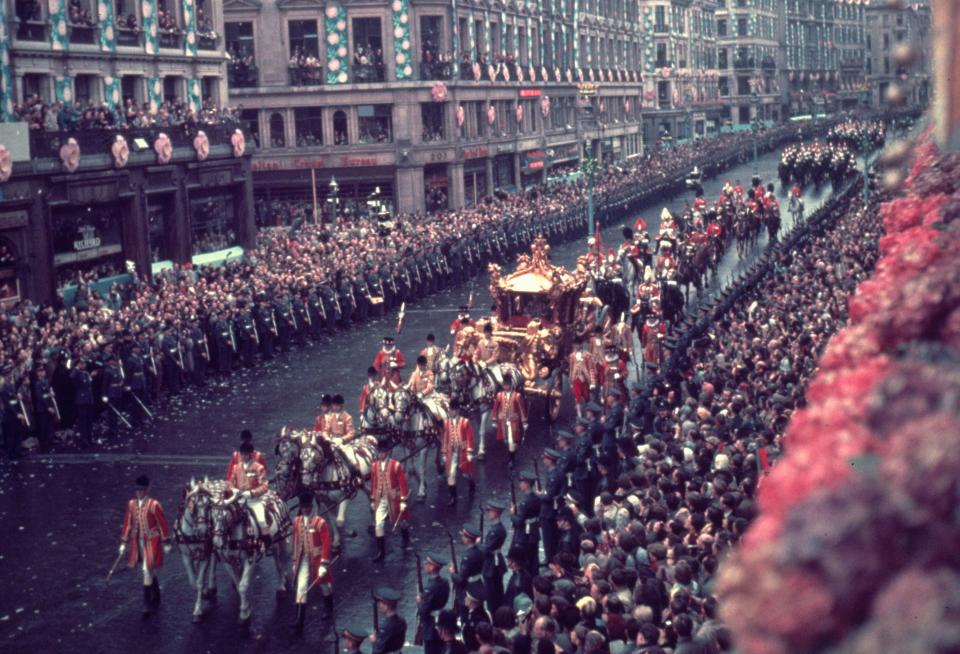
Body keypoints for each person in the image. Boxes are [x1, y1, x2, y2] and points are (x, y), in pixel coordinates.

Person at [118, 475, 171, 617]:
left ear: (147, 489)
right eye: (137, 490)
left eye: (142, 490)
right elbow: (128, 523)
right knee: (147, 569)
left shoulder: (154, 505)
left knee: (147, 569)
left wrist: (166, 541)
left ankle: (146, 603)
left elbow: (162, 524)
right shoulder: (131, 504)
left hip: (152, 541)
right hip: (137, 542)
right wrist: (124, 541)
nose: (139, 493)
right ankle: (156, 592)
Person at [290, 492, 333, 632]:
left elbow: (327, 543)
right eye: (303, 507)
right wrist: (294, 561)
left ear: (311, 507)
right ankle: (299, 620)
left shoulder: (320, 522)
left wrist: (324, 563)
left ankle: (329, 609)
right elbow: (295, 542)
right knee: (301, 588)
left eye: (308, 507)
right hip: (303, 560)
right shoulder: (296, 522)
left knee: (324, 586)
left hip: (317, 560)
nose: (306, 510)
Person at [369, 440, 409, 561]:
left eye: (383, 452)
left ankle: (405, 536)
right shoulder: (374, 466)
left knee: (401, 521)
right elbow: (374, 483)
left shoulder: (395, 465)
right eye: (379, 452)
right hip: (380, 499)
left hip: (394, 499)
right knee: (379, 524)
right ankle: (381, 552)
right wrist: (372, 498)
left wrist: (403, 500)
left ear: (387, 452)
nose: (381, 454)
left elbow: (402, 484)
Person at [441, 400, 475, 506]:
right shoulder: (446, 423)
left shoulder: (465, 422)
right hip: (451, 453)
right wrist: (444, 453)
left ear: (458, 411)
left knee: (466, 474)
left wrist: (469, 452)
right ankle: (453, 498)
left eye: (453, 410)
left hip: (463, 452)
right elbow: (444, 438)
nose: (451, 412)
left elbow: (470, 437)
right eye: (450, 410)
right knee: (451, 475)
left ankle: (471, 482)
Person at [417, 553, 451, 654]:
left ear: (432, 567)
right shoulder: (445, 582)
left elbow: (423, 611)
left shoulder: (430, 587)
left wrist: (420, 602)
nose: (424, 565)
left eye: (426, 563)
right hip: (441, 621)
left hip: (431, 625)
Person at [510, 470, 541, 577]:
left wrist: (512, 514)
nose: (520, 485)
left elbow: (519, 521)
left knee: (525, 560)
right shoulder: (536, 498)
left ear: (527, 484)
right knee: (534, 559)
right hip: (534, 532)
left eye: (522, 482)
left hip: (525, 534)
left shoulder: (524, 502)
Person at [450, 523, 484, 621]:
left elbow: (461, 580)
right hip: (479, 585)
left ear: (468, 539)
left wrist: (452, 573)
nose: (462, 537)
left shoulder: (467, 556)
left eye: (463, 536)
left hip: (469, 589)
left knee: (465, 616)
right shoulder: (480, 550)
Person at [479, 499, 508, 614]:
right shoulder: (497, 528)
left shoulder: (496, 531)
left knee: (492, 594)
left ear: (496, 513)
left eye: (490, 511)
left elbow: (487, 549)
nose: (488, 513)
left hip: (491, 563)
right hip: (495, 561)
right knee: (497, 590)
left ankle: (496, 616)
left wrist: (477, 545)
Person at [491, 375, 527, 465]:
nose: (505, 387)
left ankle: (512, 460)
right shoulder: (499, 395)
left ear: (511, 385)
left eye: (507, 385)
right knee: (505, 441)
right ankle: (513, 450)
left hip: (513, 422)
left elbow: (522, 409)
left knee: (511, 441)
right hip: (502, 422)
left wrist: (524, 422)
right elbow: (495, 408)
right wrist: (494, 420)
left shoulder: (517, 396)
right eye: (504, 385)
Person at [371, 587, 407, 654]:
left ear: (386, 605)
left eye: (381, 603)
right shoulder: (402, 621)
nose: (379, 605)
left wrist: (374, 642)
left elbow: (378, 652)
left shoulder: (385, 626)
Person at [462, 582, 492, 651]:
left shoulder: (472, 622)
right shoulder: (487, 614)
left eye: (466, 597)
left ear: (471, 601)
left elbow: (470, 641)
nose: (465, 598)